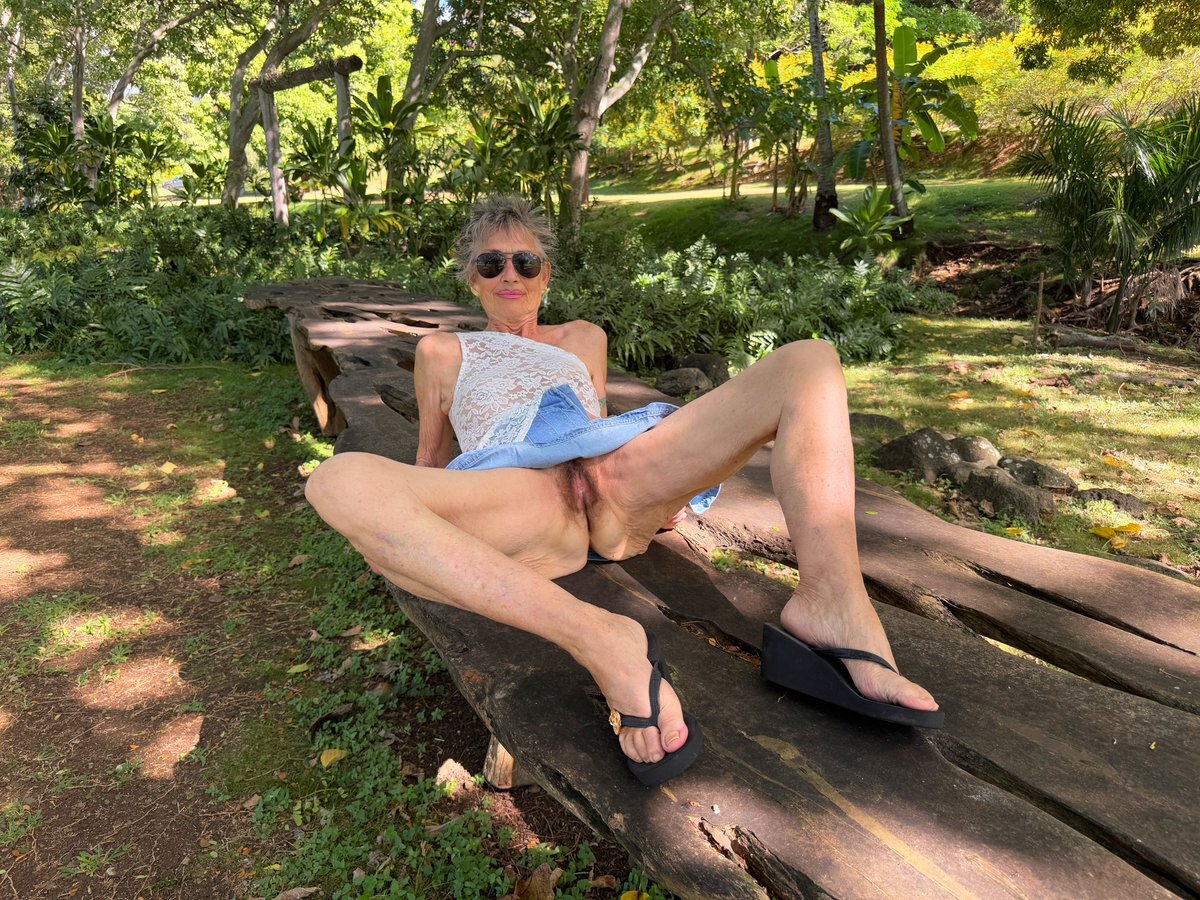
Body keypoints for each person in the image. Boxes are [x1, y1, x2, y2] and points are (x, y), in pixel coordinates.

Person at [305, 196, 941, 787]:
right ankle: (603, 639)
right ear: (472, 279)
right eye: (491, 263)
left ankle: (832, 601)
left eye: (526, 262)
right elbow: (431, 460)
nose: (510, 274)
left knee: (809, 361)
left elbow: (600, 421)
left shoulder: (585, 338)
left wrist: (668, 490)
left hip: (614, 480)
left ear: (547, 275)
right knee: (338, 480)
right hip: (519, 494)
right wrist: (414, 534)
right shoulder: (444, 350)